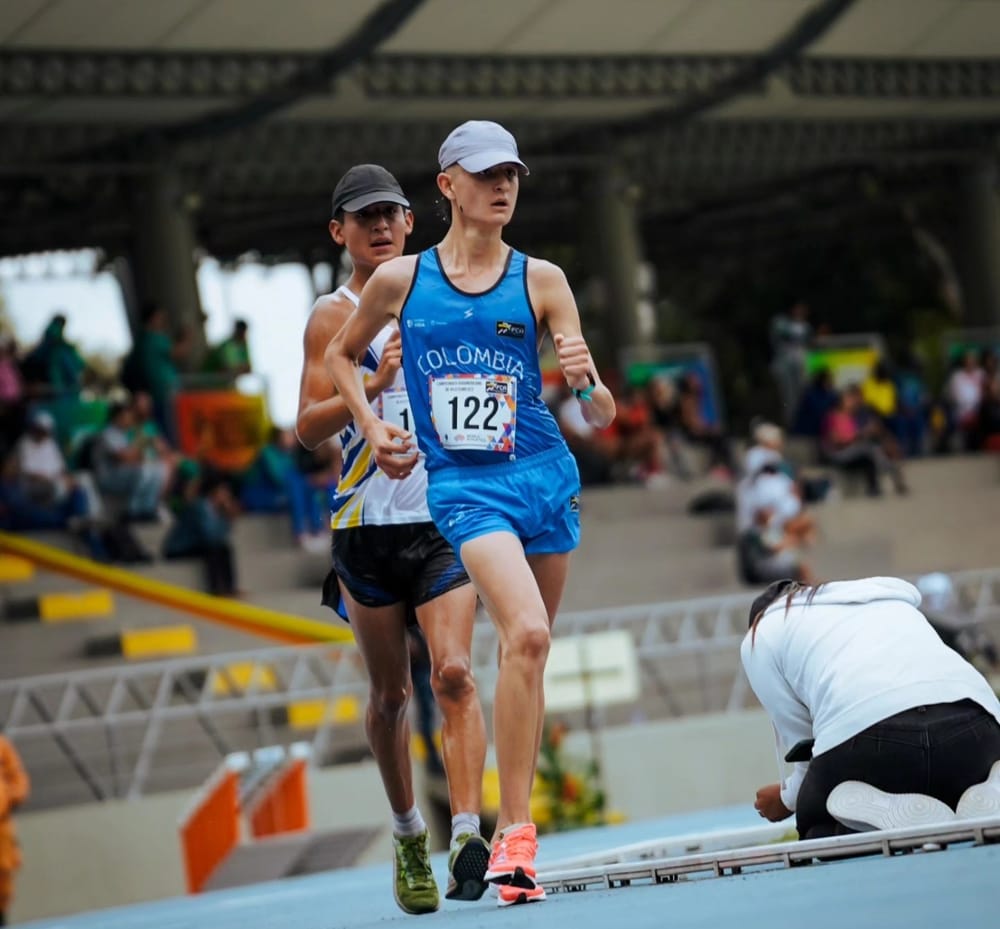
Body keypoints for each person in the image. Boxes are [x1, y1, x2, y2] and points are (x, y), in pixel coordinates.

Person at [326, 122, 616, 907]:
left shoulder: (543, 278)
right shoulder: (401, 281)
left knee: (527, 653)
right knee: (529, 633)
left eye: (512, 174)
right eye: (486, 174)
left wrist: (588, 384)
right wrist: (372, 421)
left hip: (546, 477)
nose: (503, 187)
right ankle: (513, 833)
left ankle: (513, 830)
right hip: (464, 487)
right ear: (447, 184)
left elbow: (601, 416)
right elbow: (339, 356)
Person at [296, 163, 491, 914]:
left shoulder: (447, 295)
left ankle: (467, 831)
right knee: (389, 695)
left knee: (455, 674)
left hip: (443, 521)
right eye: (363, 217)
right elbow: (305, 427)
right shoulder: (333, 316)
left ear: (412, 221)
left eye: (390, 214)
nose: (379, 226)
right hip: (365, 529)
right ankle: (410, 832)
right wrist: (370, 395)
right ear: (338, 231)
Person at [742, 577, 1000, 841]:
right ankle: (989, 789)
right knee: (949, 791)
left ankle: (877, 821)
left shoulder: (761, 635)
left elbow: (806, 745)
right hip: (979, 729)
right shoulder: (890, 602)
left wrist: (787, 799)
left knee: (816, 826)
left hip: (872, 742)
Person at [0, 733, 30, 927]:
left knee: (3, 884)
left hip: (2, 831)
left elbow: (17, 779)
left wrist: (11, 798)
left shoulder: (1, 745)